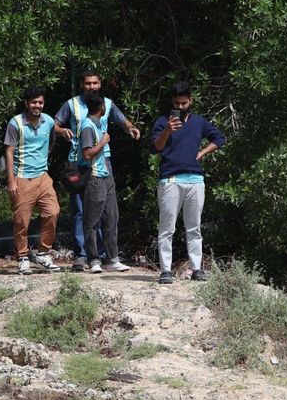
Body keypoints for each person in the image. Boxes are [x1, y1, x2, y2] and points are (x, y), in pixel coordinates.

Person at [54, 69, 140, 270]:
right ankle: (82, 256)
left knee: (106, 210)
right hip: (78, 163)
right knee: (80, 210)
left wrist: (131, 128)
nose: (92, 86)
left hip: (103, 162)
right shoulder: (72, 104)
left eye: (95, 83)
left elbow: (121, 120)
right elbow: (54, 124)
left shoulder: (106, 103)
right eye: (88, 83)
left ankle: (104, 255)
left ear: (100, 84)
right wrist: (62, 131)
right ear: (82, 85)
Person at [149, 81, 225, 284]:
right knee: (167, 227)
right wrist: (167, 130)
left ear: (190, 101)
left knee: (194, 227)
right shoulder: (162, 121)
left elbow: (219, 138)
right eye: (177, 103)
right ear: (172, 102)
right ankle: (165, 270)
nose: (180, 107)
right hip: (170, 179)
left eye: (184, 103)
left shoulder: (199, 122)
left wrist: (201, 153)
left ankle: (197, 268)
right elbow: (155, 147)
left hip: (195, 179)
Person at [3, 86, 72, 275]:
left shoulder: (48, 120)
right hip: (22, 177)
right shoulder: (15, 123)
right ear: (26, 103)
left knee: (53, 211)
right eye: (34, 102)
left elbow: (53, 129)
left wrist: (63, 131)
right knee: (21, 221)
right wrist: (11, 180)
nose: (37, 106)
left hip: (43, 177)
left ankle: (43, 253)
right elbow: (8, 151)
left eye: (40, 102)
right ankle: (23, 257)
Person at [77, 91, 129, 274]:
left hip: (106, 175)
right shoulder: (87, 126)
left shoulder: (98, 124)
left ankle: (112, 258)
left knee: (111, 217)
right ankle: (93, 259)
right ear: (102, 107)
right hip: (94, 177)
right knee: (92, 220)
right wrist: (104, 141)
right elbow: (87, 153)